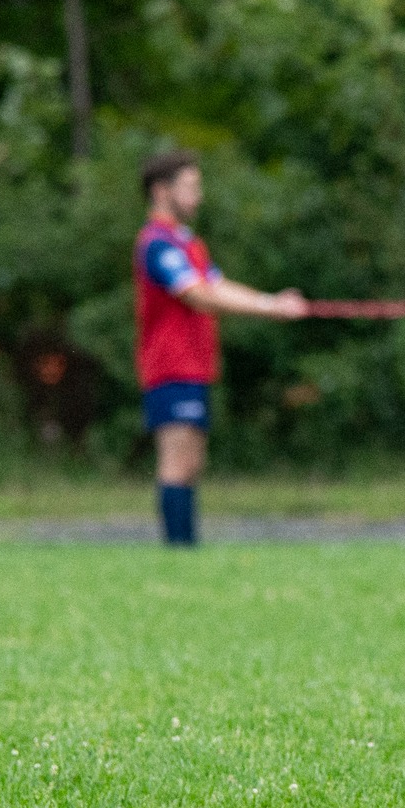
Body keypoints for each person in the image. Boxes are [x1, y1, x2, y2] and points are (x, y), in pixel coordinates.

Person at [135, 150, 310, 546]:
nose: (197, 196)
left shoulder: (187, 243)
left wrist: (272, 301)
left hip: (195, 367)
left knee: (193, 463)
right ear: (161, 192)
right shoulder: (156, 244)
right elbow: (197, 295)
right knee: (178, 462)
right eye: (189, 187)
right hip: (170, 367)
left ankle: (186, 551)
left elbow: (218, 286)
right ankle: (178, 554)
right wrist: (269, 307)